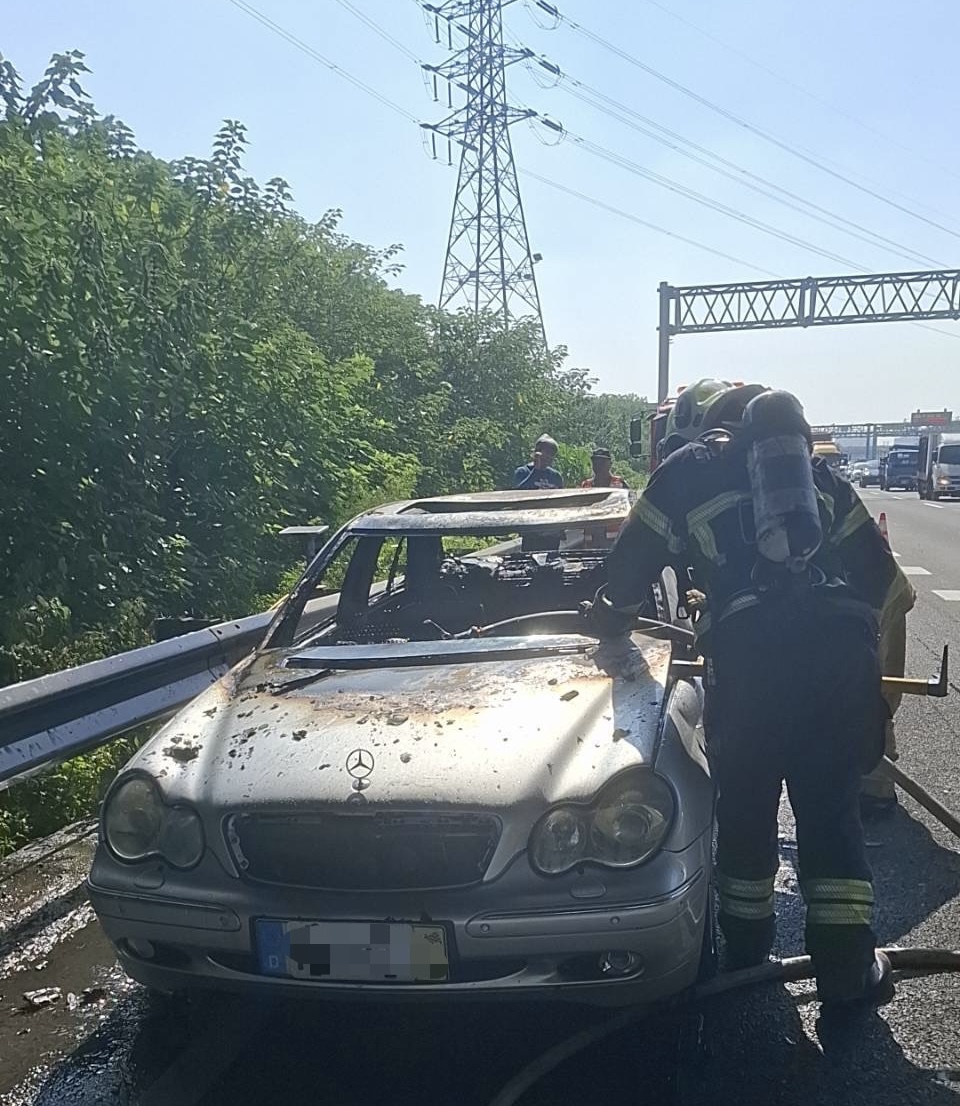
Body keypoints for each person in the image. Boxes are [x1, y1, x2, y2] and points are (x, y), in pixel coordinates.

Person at [584, 378, 914, 1009]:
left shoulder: (688, 468)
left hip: (753, 672)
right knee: (831, 818)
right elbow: (888, 587)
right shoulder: (818, 480)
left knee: (745, 814)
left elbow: (631, 567)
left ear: (702, 426)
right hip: (840, 668)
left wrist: (610, 621)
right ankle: (847, 974)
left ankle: (745, 961)